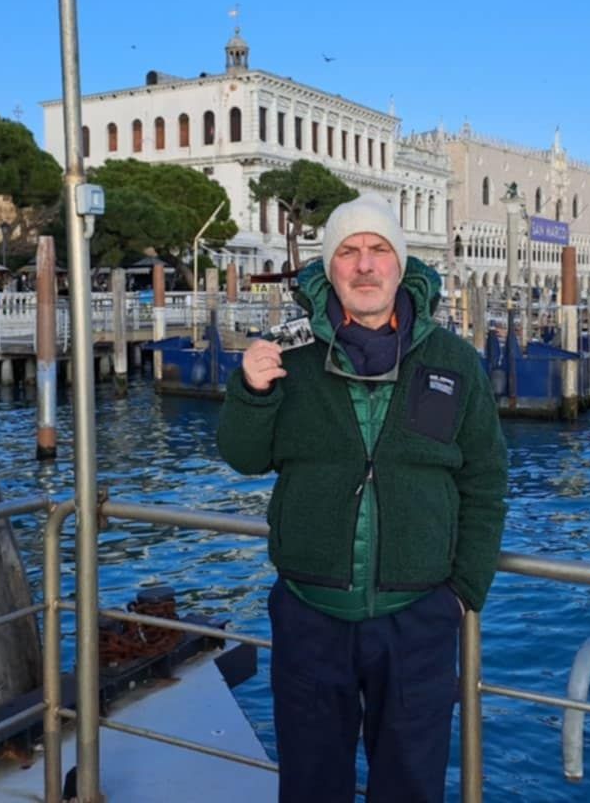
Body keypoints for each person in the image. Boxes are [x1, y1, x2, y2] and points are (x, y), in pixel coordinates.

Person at [218, 193, 508, 803]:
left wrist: (462, 593)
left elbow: (485, 480)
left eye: (379, 250)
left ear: (401, 264)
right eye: (348, 252)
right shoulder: (289, 356)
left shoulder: (454, 360)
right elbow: (244, 457)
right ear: (330, 268)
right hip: (309, 613)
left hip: (419, 618)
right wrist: (250, 391)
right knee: (311, 785)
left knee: (410, 787)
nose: (365, 265)